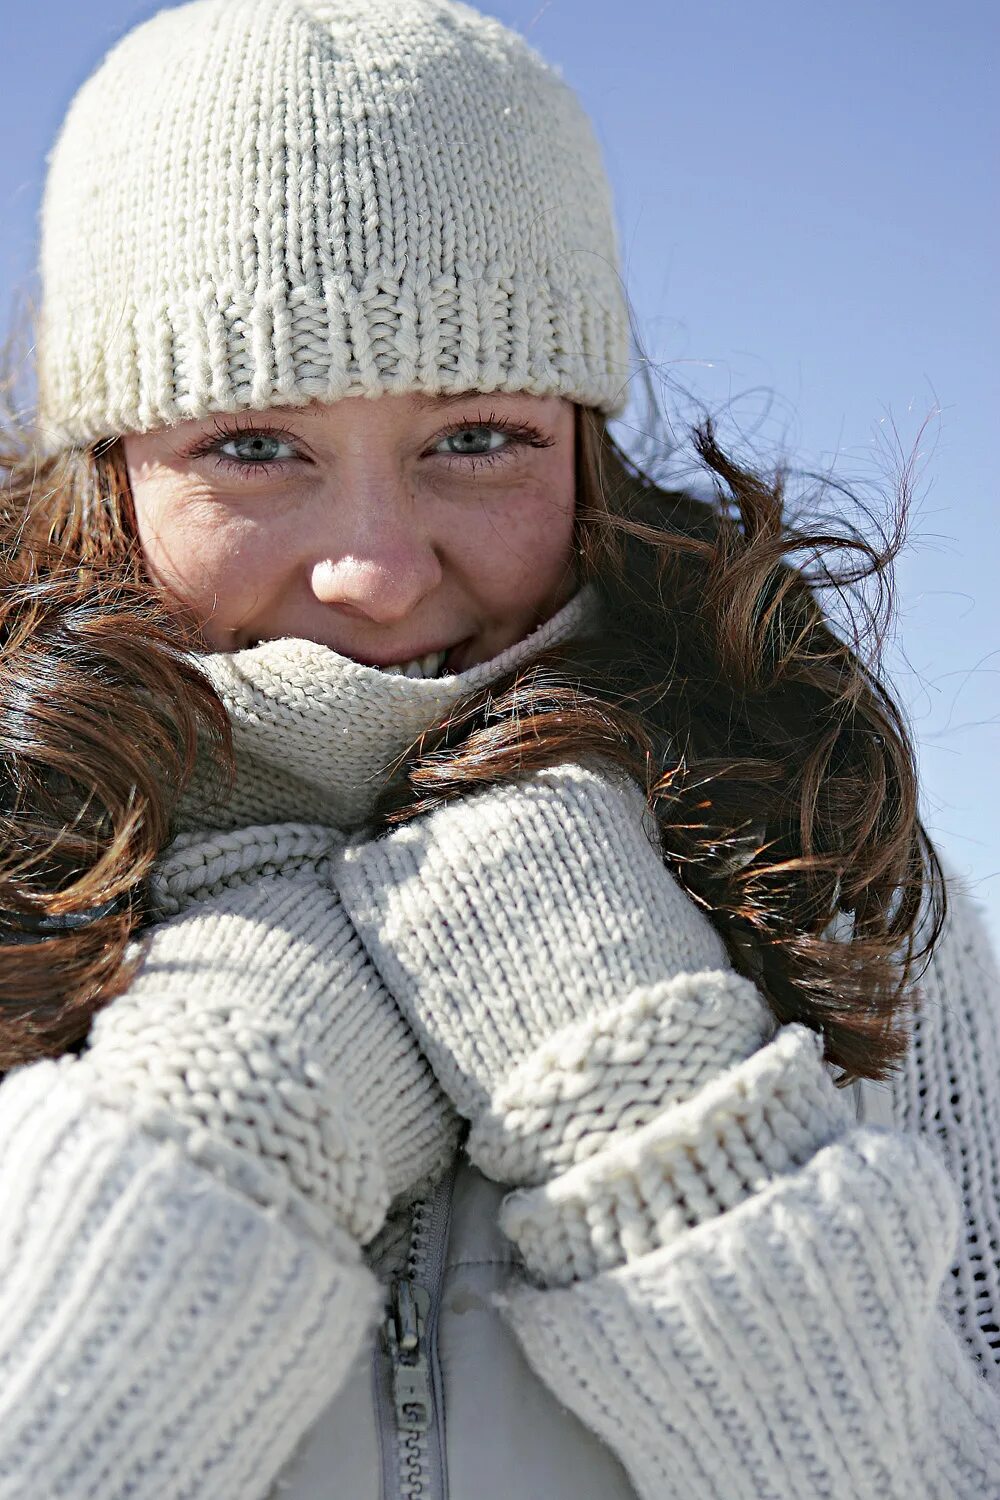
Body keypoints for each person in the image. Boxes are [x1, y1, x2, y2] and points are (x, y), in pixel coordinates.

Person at [0, 1, 998, 1496]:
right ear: (111, 472)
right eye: (254, 447)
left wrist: (648, 1097)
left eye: (474, 437)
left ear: (581, 446)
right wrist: (237, 1109)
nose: (377, 569)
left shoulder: (817, 847)